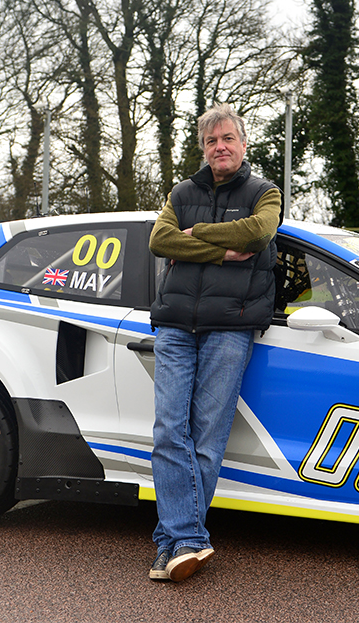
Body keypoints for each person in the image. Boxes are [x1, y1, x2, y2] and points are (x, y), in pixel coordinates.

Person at [146, 103, 282, 582]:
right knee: (168, 430)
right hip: (176, 325)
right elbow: (160, 240)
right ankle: (189, 539)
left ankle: (171, 542)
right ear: (202, 149)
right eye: (210, 141)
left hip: (231, 326)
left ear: (243, 144)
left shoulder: (265, 192)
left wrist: (196, 235)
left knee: (207, 437)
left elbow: (259, 232)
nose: (219, 147)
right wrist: (226, 250)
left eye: (227, 139)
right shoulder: (181, 192)